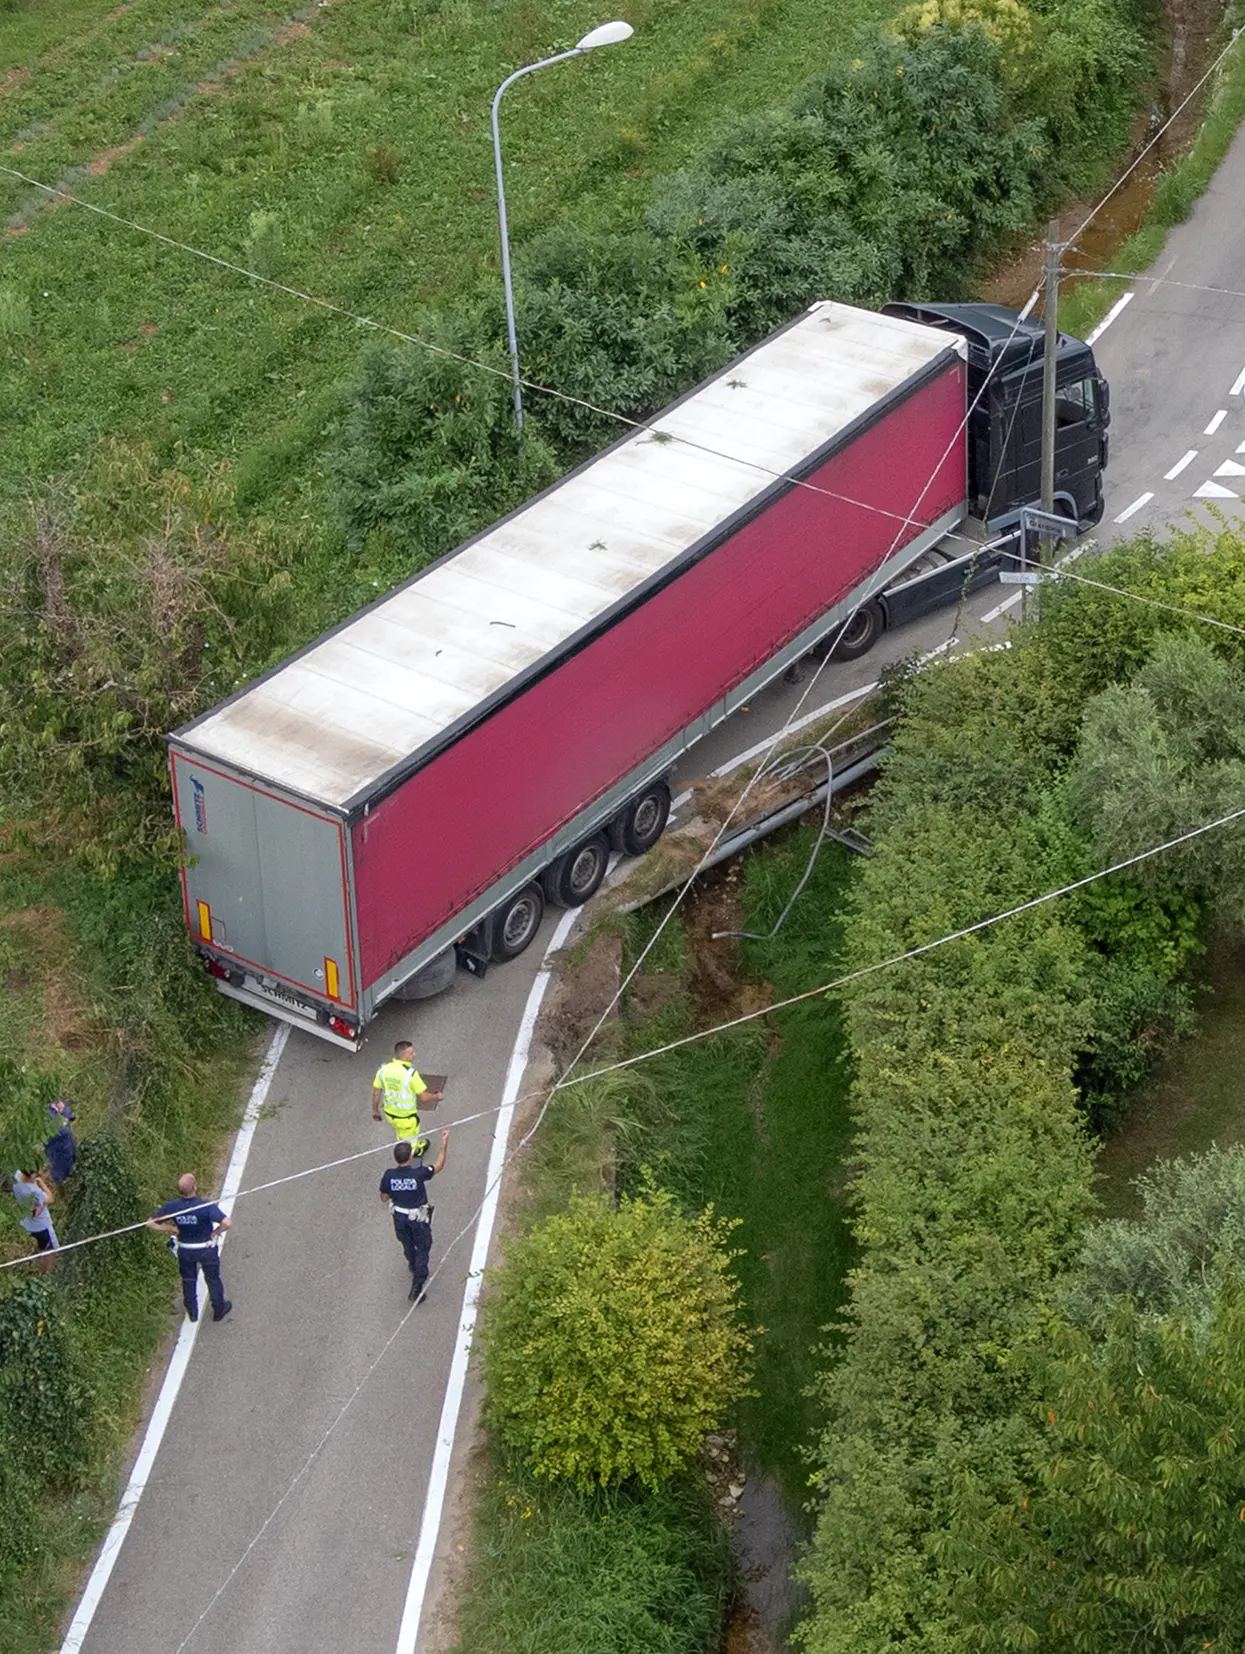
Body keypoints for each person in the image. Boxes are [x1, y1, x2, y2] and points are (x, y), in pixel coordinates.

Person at [146, 1174, 233, 1323]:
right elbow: (227, 1223)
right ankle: (219, 1309)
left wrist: (172, 1229)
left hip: (185, 1250)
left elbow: (150, 1223)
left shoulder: (173, 1207)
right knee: (212, 1279)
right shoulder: (204, 1206)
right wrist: (215, 1232)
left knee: (188, 1280)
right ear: (195, 1187)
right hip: (206, 1249)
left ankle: (192, 1312)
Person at [379, 1131, 449, 1302]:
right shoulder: (418, 1173)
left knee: (407, 1243)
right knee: (424, 1246)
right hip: (417, 1219)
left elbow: (384, 1198)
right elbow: (439, 1166)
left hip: (399, 1217)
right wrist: (444, 1144)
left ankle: (412, 1263)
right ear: (410, 1157)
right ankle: (417, 1285)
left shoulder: (389, 1175)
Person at [371, 1039, 443, 1152]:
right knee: (410, 1141)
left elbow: (376, 1093)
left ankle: (405, 1142)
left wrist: (375, 1110)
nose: (414, 1055)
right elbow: (423, 1097)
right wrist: (437, 1097)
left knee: (401, 1133)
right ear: (403, 1055)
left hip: (390, 1114)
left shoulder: (383, 1070)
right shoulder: (411, 1074)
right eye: (411, 1053)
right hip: (406, 1118)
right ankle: (415, 1152)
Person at [12, 1168, 58, 1265]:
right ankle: (47, 1274)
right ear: (32, 1176)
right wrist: (42, 1184)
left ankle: (32, 1260)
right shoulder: (34, 1192)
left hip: (25, 1223)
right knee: (50, 1252)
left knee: (39, 1244)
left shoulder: (16, 1177)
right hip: (41, 1226)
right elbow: (51, 1199)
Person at [44, 1100, 78, 1188]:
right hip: (57, 1151)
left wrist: (65, 1117)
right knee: (60, 1175)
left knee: (74, 1168)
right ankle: (63, 1191)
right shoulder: (45, 1116)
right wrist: (64, 1118)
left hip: (69, 1146)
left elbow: (66, 1109)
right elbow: (63, 1131)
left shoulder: (57, 1103)